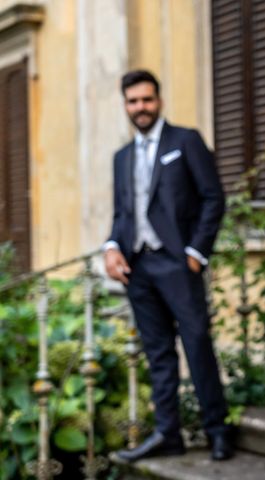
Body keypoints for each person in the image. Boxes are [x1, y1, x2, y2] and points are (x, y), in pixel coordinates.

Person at [103, 70, 233, 462]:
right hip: (137, 268)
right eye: (132, 101)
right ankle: (167, 433)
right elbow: (123, 212)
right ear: (125, 105)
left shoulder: (185, 141)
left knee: (196, 346)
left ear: (158, 100)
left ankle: (217, 430)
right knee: (157, 352)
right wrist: (112, 246)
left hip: (178, 264)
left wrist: (196, 253)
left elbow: (214, 197)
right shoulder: (121, 157)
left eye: (146, 100)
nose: (140, 108)